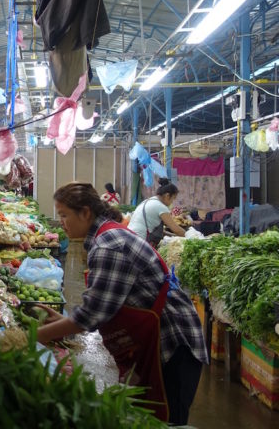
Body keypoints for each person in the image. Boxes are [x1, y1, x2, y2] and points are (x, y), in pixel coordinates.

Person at [37, 182, 207, 425]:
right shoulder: (104, 237)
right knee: (147, 419)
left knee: (167, 421)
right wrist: (64, 323)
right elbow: (102, 304)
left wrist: (37, 334)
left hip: (172, 343)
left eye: (64, 215)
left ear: (85, 213)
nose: (61, 222)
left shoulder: (109, 245)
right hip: (157, 340)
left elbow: (92, 315)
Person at [128, 179, 186, 248]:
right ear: (167, 196)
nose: (172, 202)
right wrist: (191, 235)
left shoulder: (149, 200)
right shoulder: (161, 207)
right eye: (173, 198)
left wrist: (173, 236)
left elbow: (161, 232)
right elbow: (177, 230)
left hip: (129, 236)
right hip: (139, 241)